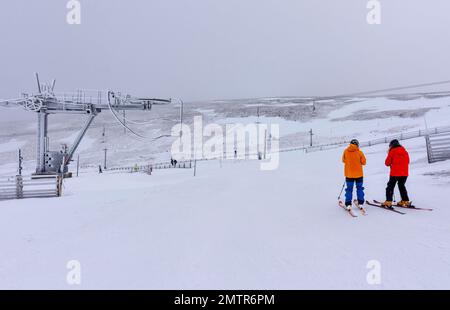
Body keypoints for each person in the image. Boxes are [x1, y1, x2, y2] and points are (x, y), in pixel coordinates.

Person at [383, 139, 411, 207]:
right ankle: (405, 200)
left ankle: (388, 201)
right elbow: (408, 161)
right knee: (401, 186)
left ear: (391, 145)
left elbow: (387, 163)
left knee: (390, 186)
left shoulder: (392, 151)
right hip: (404, 173)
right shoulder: (405, 151)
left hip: (395, 173)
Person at [342, 139, 367, 210]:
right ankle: (361, 202)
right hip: (359, 175)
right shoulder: (360, 152)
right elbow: (364, 162)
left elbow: (343, 160)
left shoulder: (345, 151)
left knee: (349, 189)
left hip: (349, 175)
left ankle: (348, 203)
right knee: (359, 188)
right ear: (357, 144)